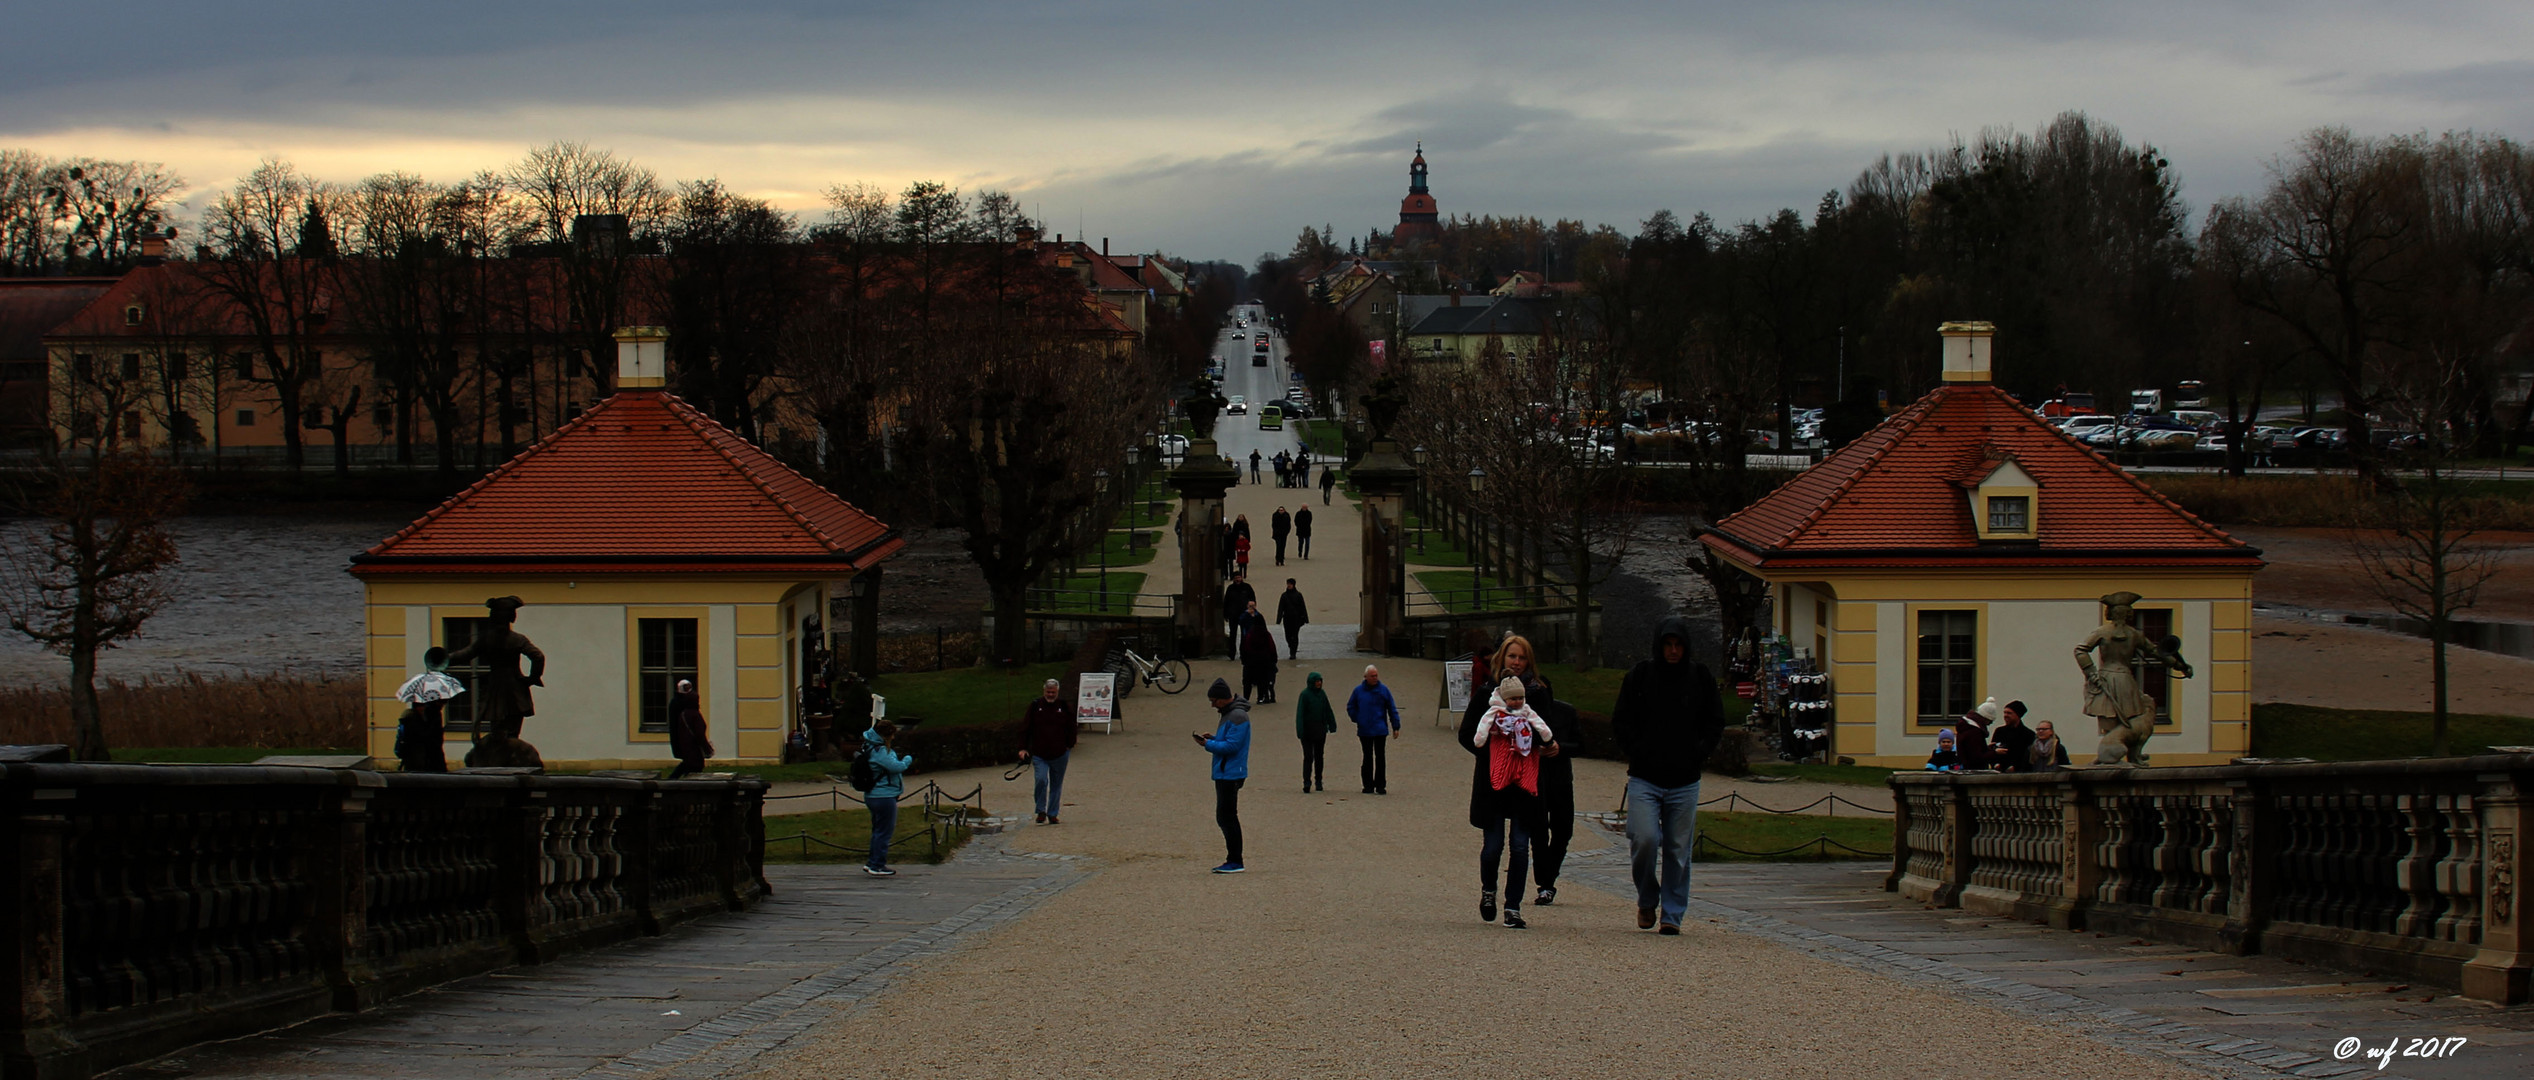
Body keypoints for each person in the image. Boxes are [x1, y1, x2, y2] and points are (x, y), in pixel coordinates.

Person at [1611, 614, 1725, 935]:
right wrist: (1636, 749)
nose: (1673, 651)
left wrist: (1699, 751)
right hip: (1646, 776)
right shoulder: (1640, 676)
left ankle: (1673, 913)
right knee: (1643, 839)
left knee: (1678, 849)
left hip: (1685, 779)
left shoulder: (1700, 677)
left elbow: (1715, 720)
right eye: (1668, 645)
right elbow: (1621, 719)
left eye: (1678, 646)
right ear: (1659, 646)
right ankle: (1647, 897)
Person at [1464, 676, 1555, 928]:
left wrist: (1541, 741)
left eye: (1521, 657)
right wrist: (1492, 748)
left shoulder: (1534, 700)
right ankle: (1489, 891)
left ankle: (1513, 906)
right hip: (1494, 783)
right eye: (1512, 656)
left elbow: (1544, 728)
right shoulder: (1489, 702)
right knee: (1493, 846)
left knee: (1519, 847)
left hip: (1523, 783)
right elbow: (1472, 734)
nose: (1517, 662)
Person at [1196, 679, 1251, 873]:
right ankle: (1234, 859)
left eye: (1213, 700)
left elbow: (1232, 746)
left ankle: (1235, 860)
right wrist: (1213, 739)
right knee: (1225, 816)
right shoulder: (1230, 714)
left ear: (1222, 699)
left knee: (1227, 817)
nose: (1212, 705)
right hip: (1226, 772)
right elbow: (1228, 741)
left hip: (1230, 773)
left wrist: (1208, 745)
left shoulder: (1237, 716)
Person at [1019, 678, 1076, 824]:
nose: (1050, 695)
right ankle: (1041, 810)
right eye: (1048, 692)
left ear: (1057, 692)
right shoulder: (1035, 706)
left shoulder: (1064, 706)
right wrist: (1023, 747)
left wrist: (1070, 744)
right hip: (1040, 753)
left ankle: (1052, 813)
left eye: (1053, 692)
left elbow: (1072, 726)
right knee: (1041, 780)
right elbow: (1026, 727)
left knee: (1056, 784)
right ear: (1044, 691)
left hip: (1060, 753)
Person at [862, 719, 913, 877]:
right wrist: (907, 759)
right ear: (886, 735)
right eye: (892, 735)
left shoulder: (868, 746)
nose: (893, 738)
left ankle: (872, 862)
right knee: (884, 831)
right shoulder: (880, 751)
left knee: (878, 830)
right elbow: (896, 767)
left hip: (873, 795)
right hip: (884, 796)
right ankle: (877, 865)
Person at [1347, 664, 1401, 794]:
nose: (1375, 678)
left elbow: (1392, 708)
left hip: (1380, 729)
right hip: (1365, 730)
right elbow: (1350, 707)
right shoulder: (1358, 691)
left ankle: (1381, 785)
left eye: (1376, 675)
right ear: (1366, 677)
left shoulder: (1384, 690)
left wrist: (1396, 726)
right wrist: (1357, 718)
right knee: (1367, 757)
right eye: (1372, 676)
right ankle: (1368, 785)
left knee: (1380, 757)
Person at [1294, 671, 1336, 792]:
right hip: (1307, 732)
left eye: (1320, 681)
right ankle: (1307, 782)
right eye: (1317, 681)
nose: (1319, 683)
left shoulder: (1322, 694)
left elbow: (1328, 710)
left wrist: (1332, 724)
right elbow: (1300, 714)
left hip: (1320, 730)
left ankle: (1318, 780)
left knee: (1319, 756)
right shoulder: (1305, 695)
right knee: (1308, 757)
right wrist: (1300, 729)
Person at [667, 678, 711, 778]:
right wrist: (706, 747)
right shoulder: (687, 709)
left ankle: (673, 779)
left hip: (684, 740)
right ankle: (674, 780)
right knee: (692, 764)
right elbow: (697, 732)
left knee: (688, 763)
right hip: (688, 741)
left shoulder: (678, 704)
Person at [1240, 600, 1279, 704]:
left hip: (1251, 660)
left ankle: (1246, 698)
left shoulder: (1250, 634)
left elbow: (1246, 647)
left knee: (1247, 681)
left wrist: (1244, 659)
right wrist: (1273, 660)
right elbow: (1272, 648)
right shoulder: (1266, 634)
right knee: (1262, 680)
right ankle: (1260, 698)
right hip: (1264, 660)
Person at [1990, 699, 2037, 773]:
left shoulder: (2028, 734)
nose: (2005, 715)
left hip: (2019, 774)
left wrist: (2016, 767)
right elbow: (1992, 750)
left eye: (2009, 713)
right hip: (1999, 773)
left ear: (2018, 715)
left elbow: (2029, 757)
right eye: (2004, 713)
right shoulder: (1999, 731)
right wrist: (1995, 764)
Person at [1954, 697, 1998, 770]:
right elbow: (1977, 757)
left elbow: (1971, 750)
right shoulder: (1974, 732)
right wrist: (1995, 752)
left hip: (1966, 769)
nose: (1990, 724)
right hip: (1975, 771)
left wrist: (1986, 748)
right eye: (1990, 721)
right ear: (1985, 718)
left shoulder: (1966, 727)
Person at [1220, 572, 1256, 661]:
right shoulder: (1230, 588)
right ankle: (1232, 653)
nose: (1237, 579)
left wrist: (1252, 612)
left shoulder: (1247, 587)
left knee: (1245, 635)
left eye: (1239, 577)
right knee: (1233, 634)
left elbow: (1253, 600)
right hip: (1233, 614)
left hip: (1245, 614)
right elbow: (1226, 602)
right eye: (1236, 577)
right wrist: (1225, 614)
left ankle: (1243, 652)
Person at [1275, 578, 1309, 659]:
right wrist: (1279, 619)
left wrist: (1305, 619)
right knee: (1288, 636)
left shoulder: (1298, 595)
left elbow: (1302, 607)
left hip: (1296, 619)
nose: (1288, 585)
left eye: (1290, 584)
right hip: (1287, 619)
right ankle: (1291, 647)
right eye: (1288, 584)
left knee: (1295, 635)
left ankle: (1293, 652)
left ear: (1293, 585)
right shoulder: (1284, 595)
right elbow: (1281, 608)